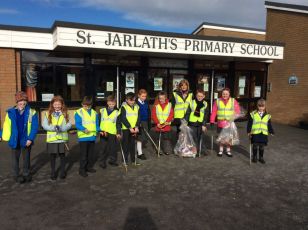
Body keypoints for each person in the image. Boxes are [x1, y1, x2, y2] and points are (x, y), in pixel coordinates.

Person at [1, 91, 38, 183]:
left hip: (26, 139)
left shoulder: (31, 112)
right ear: (17, 102)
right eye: (20, 102)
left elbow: (34, 126)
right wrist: (2, 135)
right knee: (15, 159)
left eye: (24, 101)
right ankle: (16, 175)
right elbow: (6, 126)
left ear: (26, 102)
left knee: (26, 159)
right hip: (15, 139)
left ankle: (26, 173)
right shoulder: (10, 113)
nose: (22, 103)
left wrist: (30, 138)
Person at [42, 96, 72, 180]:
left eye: (59, 104)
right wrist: (53, 128)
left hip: (62, 138)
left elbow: (69, 124)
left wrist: (62, 128)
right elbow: (44, 125)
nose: (57, 106)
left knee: (62, 156)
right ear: (52, 104)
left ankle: (62, 171)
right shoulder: (47, 113)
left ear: (62, 104)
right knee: (53, 157)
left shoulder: (66, 113)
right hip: (52, 139)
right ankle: (53, 172)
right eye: (55, 104)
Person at [210, 88, 240, 157]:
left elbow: (237, 111)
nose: (225, 95)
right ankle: (220, 150)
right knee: (221, 137)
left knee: (229, 137)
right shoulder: (217, 101)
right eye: (223, 94)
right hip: (221, 122)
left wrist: (234, 117)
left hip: (229, 123)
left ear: (229, 94)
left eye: (226, 94)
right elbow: (214, 112)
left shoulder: (233, 101)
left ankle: (228, 150)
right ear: (221, 94)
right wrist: (212, 121)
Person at [75, 96, 100, 177]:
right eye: (85, 105)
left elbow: (96, 125)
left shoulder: (94, 113)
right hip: (83, 137)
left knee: (90, 154)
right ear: (82, 104)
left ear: (91, 105)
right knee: (83, 155)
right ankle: (82, 170)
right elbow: (78, 124)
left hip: (92, 136)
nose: (87, 107)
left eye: (89, 105)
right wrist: (83, 129)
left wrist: (100, 130)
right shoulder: (78, 112)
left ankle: (89, 167)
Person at [247, 99, 274, 164]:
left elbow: (269, 124)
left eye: (262, 106)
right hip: (255, 133)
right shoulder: (253, 114)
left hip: (263, 134)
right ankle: (255, 157)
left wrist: (271, 131)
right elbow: (249, 123)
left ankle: (261, 157)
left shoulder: (268, 115)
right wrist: (248, 131)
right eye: (259, 106)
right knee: (255, 146)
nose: (261, 108)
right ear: (257, 106)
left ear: (265, 106)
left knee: (262, 146)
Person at [116, 92, 140, 165]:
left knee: (133, 145)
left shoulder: (137, 106)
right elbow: (123, 118)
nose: (132, 102)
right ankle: (124, 160)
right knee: (125, 145)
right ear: (126, 100)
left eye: (133, 100)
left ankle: (133, 161)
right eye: (130, 100)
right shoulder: (123, 107)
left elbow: (139, 117)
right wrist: (129, 127)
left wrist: (136, 126)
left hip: (134, 129)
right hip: (126, 129)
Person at [99, 95, 121, 169]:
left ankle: (112, 160)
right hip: (103, 132)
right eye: (110, 104)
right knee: (103, 148)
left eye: (113, 104)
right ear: (107, 102)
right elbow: (99, 121)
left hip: (112, 132)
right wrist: (99, 130)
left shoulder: (117, 112)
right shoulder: (102, 110)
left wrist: (118, 133)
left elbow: (118, 123)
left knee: (113, 148)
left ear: (115, 103)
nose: (111, 105)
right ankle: (102, 162)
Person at [185, 89, 208, 156]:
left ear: (204, 96)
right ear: (196, 96)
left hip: (200, 124)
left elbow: (206, 115)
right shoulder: (192, 102)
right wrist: (185, 122)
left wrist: (204, 125)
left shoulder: (205, 104)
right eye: (198, 96)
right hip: (192, 123)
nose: (199, 97)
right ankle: (194, 151)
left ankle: (200, 150)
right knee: (193, 138)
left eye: (201, 96)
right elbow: (188, 113)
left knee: (200, 138)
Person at [151, 91, 174, 155]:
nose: (161, 100)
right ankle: (159, 150)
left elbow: (171, 114)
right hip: (159, 125)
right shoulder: (156, 105)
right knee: (158, 138)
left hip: (166, 125)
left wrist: (167, 122)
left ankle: (166, 150)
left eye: (162, 98)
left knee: (166, 138)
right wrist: (157, 123)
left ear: (165, 98)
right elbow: (153, 115)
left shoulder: (169, 105)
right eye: (160, 98)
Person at [136, 89, 151, 160]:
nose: (144, 98)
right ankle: (139, 153)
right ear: (138, 95)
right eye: (142, 96)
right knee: (140, 138)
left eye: (145, 96)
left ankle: (138, 150)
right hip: (139, 122)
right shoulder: (136, 104)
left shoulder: (146, 102)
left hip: (145, 121)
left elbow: (148, 112)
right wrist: (138, 123)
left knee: (144, 137)